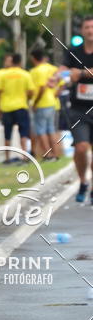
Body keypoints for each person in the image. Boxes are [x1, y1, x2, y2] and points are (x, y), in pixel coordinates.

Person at [58, 16, 93, 203]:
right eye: (87, 27)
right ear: (82, 30)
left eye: (92, 27)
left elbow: (76, 73)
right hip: (79, 109)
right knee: (81, 148)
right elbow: (63, 69)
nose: (90, 30)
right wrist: (57, 77)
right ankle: (83, 181)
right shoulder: (74, 51)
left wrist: (80, 73)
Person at [0, 53, 34, 161]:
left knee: (7, 133)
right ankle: (24, 156)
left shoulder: (2, 75)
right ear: (20, 62)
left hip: (6, 107)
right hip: (21, 106)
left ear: (12, 62)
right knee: (23, 132)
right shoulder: (25, 74)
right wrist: (27, 97)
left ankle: (7, 158)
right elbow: (31, 91)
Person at [29, 49, 61, 160]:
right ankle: (56, 154)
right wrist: (56, 95)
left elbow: (41, 88)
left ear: (33, 58)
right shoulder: (53, 69)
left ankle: (48, 155)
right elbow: (62, 83)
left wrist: (35, 103)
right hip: (52, 102)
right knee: (51, 130)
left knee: (41, 130)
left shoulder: (35, 71)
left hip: (42, 103)